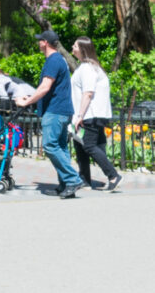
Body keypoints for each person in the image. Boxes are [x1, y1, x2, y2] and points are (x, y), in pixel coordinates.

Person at [16, 30, 82, 199]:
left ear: (45, 42)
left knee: (50, 146)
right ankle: (66, 185)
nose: (38, 43)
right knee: (60, 147)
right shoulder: (60, 59)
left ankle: (73, 179)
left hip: (55, 111)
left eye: (40, 41)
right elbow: (50, 88)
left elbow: (45, 87)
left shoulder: (53, 61)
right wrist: (31, 97)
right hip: (63, 110)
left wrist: (26, 102)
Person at [70, 38, 121, 191]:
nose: (72, 47)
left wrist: (79, 115)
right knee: (80, 145)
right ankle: (84, 179)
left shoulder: (87, 68)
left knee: (89, 146)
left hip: (89, 114)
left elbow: (88, 93)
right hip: (92, 114)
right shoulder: (89, 67)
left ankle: (113, 175)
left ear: (83, 49)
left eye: (75, 45)